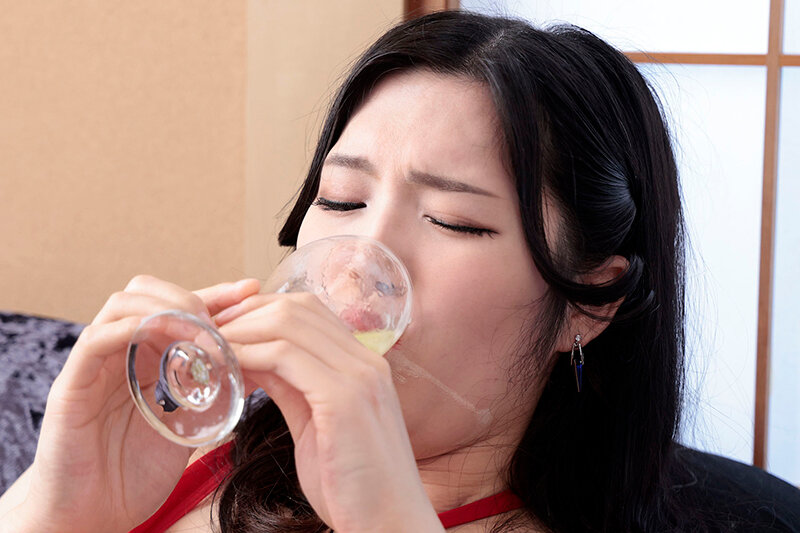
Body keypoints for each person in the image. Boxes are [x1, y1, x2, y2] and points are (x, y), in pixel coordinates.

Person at [1, 10, 799, 533]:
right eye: (341, 199)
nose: (359, 261)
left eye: (453, 220)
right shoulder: (181, 464)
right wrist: (55, 506)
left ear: (588, 301)